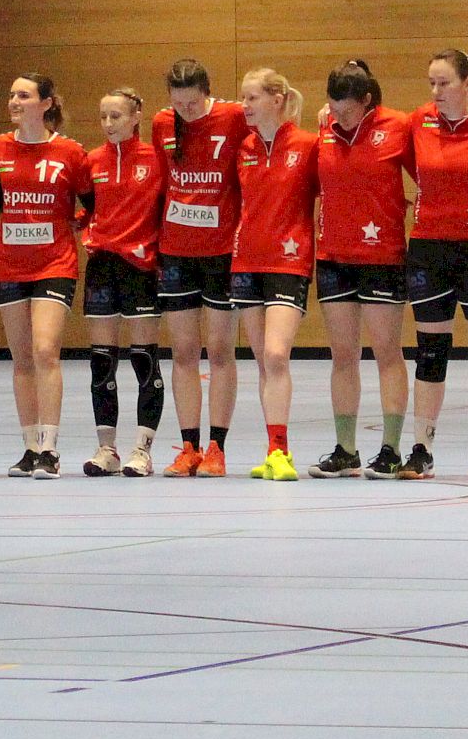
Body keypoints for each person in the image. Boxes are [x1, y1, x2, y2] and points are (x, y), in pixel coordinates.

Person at [388, 48, 468, 480]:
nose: (436, 91)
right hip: (429, 248)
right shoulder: (419, 121)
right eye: (431, 84)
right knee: (430, 352)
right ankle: (421, 448)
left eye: (444, 83)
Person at [0, 73, 93, 478]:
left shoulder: (70, 152)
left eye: (23, 95)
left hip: (54, 262)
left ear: (46, 103)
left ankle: (50, 448)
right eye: (11, 95)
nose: (14, 101)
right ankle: (28, 447)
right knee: (22, 358)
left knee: (46, 351)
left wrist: (80, 223)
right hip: (10, 263)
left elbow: (93, 201)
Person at [309, 60, 412, 478]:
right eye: (332, 108)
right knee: (342, 356)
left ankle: (390, 449)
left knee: (388, 352)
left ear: (367, 101)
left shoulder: (398, 127)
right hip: (333, 256)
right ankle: (346, 449)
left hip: (382, 256)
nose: (338, 116)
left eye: (347, 110)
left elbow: (432, 177)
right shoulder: (325, 129)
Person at [152, 60, 245, 477]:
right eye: (178, 103)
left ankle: (216, 448)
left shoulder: (233, 116)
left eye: (193, 102)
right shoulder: (162, 124)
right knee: (184, 352)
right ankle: (188, 446)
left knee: (221, 351)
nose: (186, 110)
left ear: (208, 92)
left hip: (222, 251)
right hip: (176, 250)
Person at [229, 69, 319, 481]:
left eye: (252, 98)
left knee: (276, 353)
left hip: (289, 260)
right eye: (243, 98)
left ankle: (282, 451)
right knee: (263, 364)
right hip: (247, 260)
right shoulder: (243, 148)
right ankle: (272, 451)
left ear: (277, 99)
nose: (244, 106)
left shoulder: (308, 145)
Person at [82, 87, 168, 475]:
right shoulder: (92, 161)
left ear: (136, 117)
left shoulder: (155, 159)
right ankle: (107, 449)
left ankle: (142, 450)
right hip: (102, 264)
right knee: (102, 362)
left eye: (116, 116)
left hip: (141, 267)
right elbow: (84, 206)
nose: (108, 124)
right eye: (103, 117)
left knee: (144, 360)